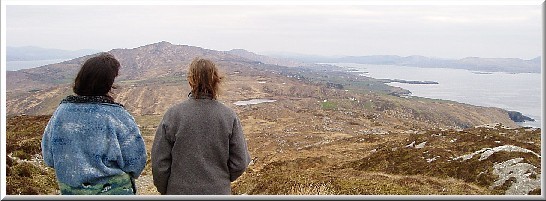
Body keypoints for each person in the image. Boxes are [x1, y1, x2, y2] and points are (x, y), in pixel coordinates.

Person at [41, 53, 147, 195]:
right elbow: (136, 162)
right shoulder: (117, 116)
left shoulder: (61, 114)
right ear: (108, 84)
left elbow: (49, 158)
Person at [152, 58, 251, 195]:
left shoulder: (173, 115)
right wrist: (220, 181)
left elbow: (159, 164)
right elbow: (240, 163)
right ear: (216, 80)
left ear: (191, 80)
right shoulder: (229, 116)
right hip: (218, 192)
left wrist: (167, 190)